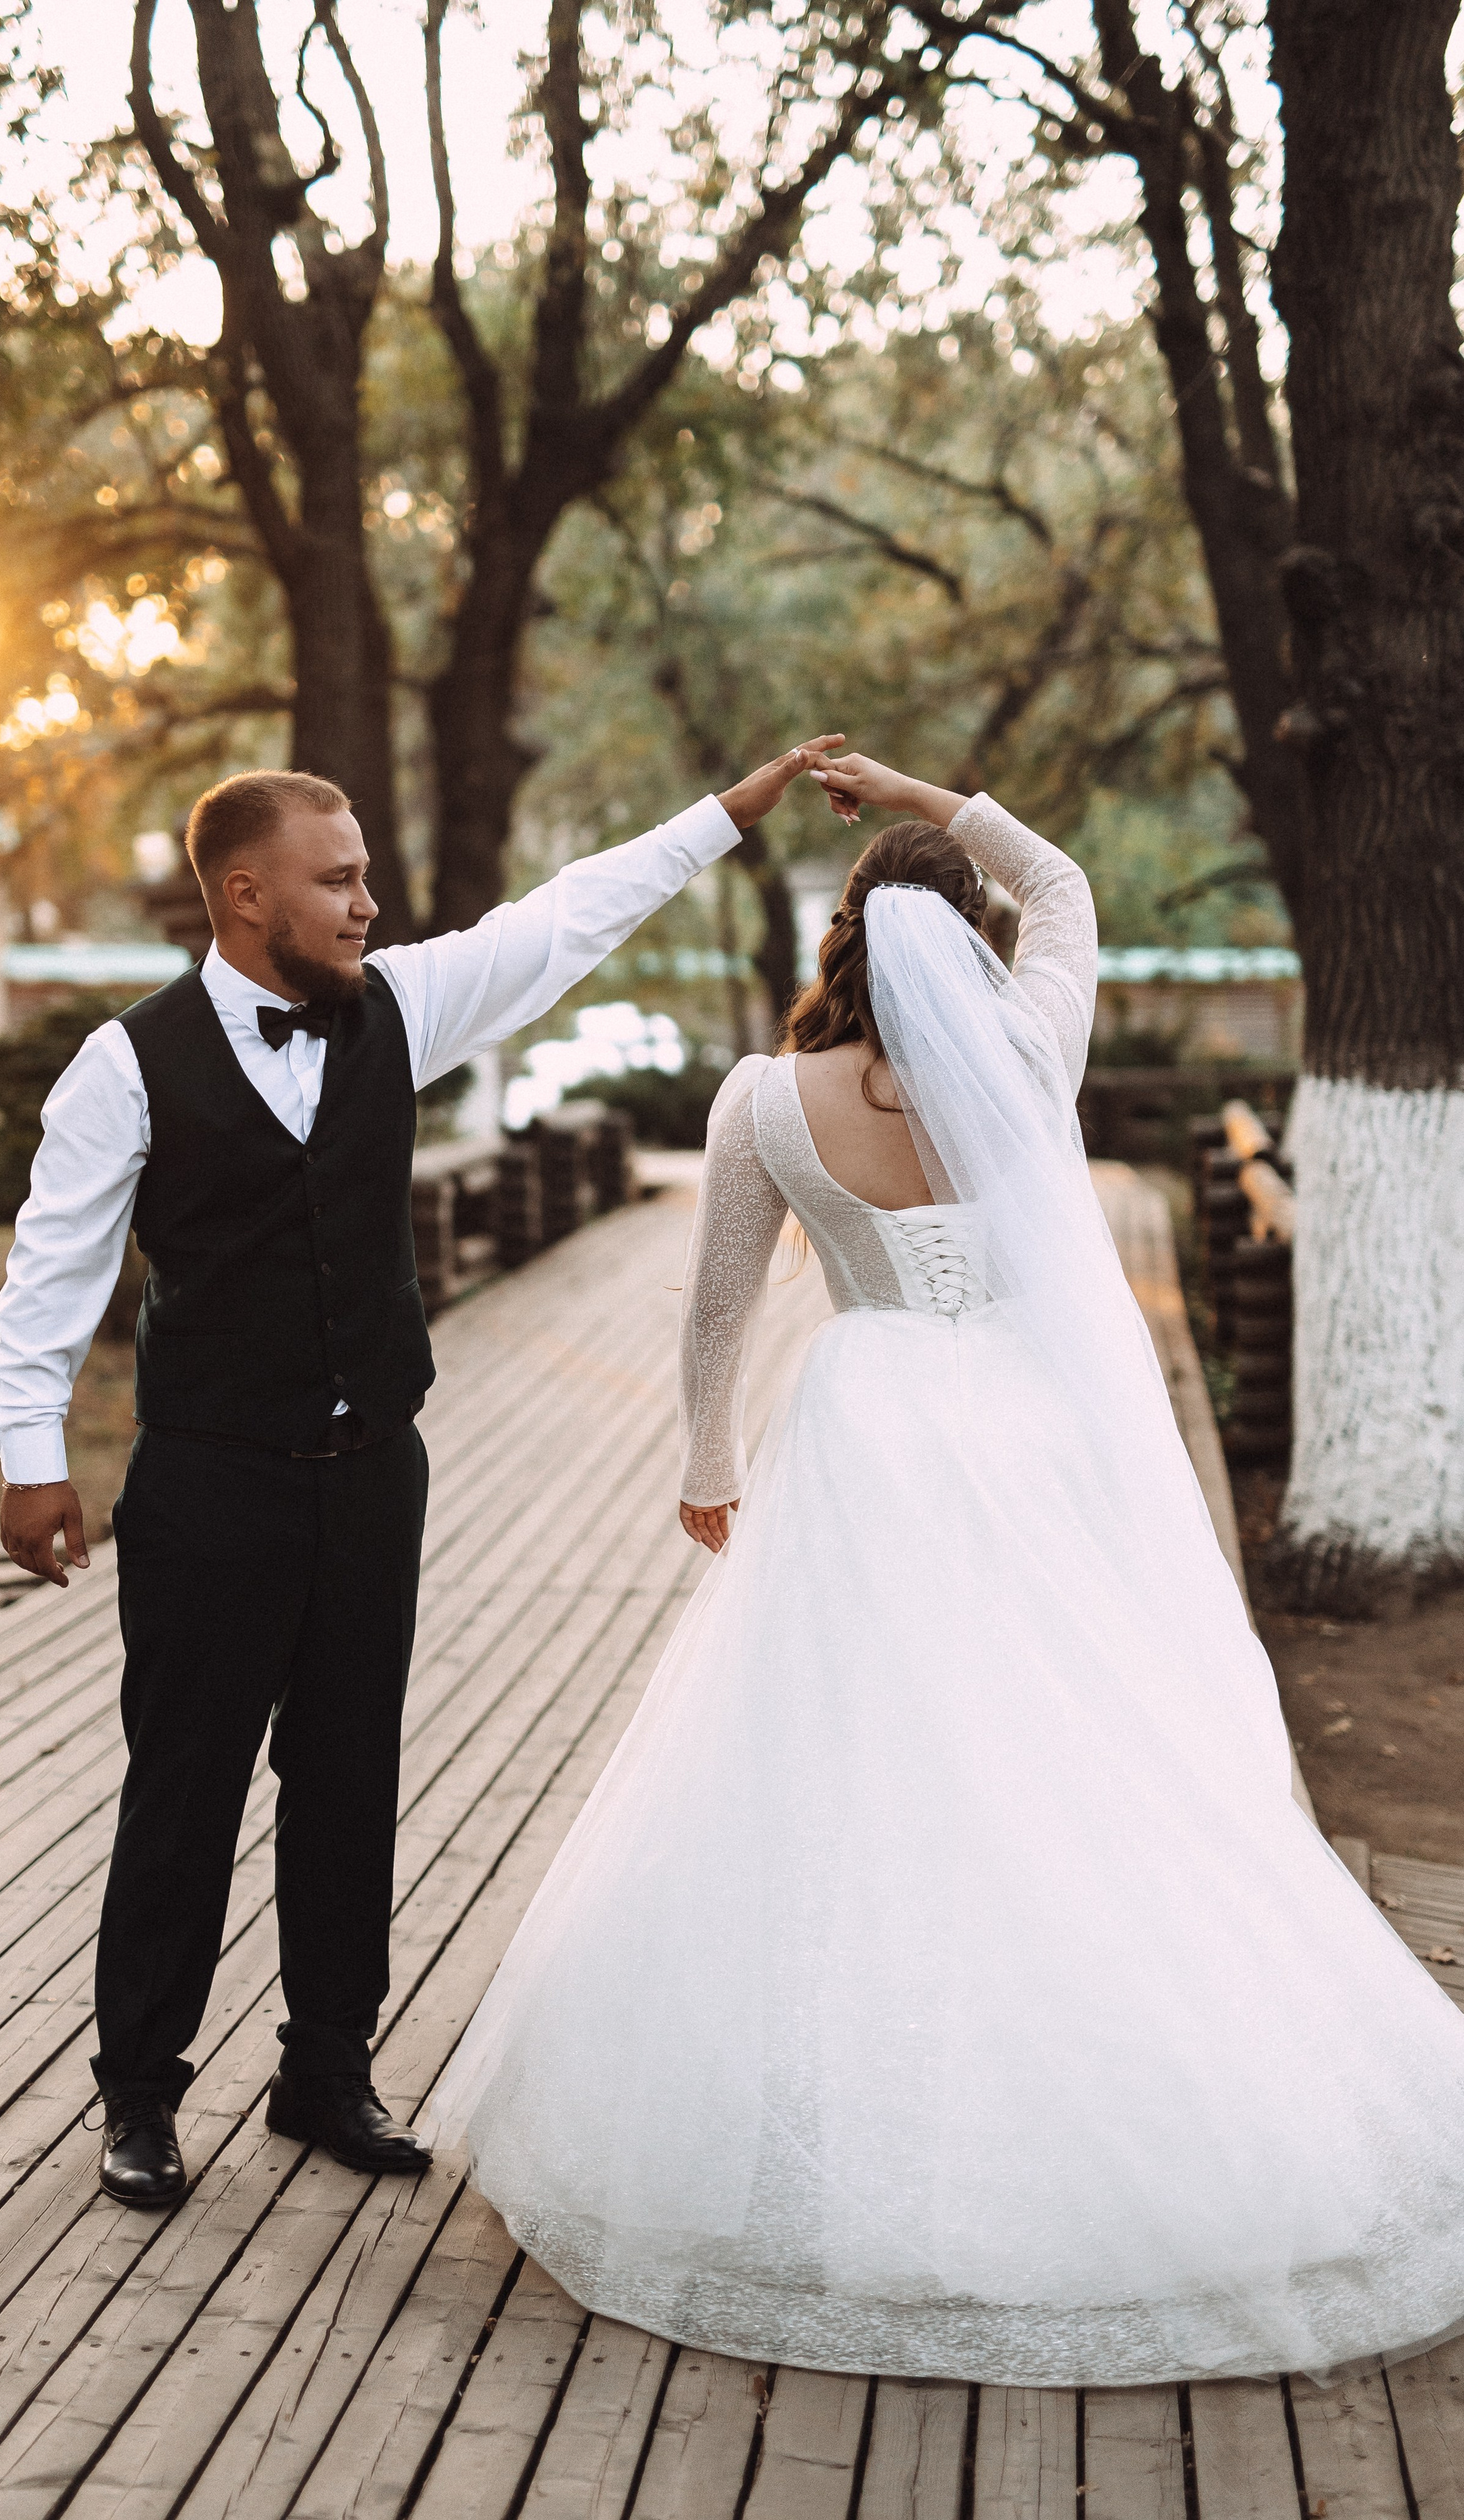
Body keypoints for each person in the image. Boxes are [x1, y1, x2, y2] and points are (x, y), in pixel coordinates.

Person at [429, 754, 1464, 2387]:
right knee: (1064, 1742)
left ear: (841, 933)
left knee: (848, 1766)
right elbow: (1063, 886)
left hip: (869, 1426)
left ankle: (850, 2106)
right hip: (1031, 1437)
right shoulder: (1026, 1046)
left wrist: (706, 1457)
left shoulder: (763, 1101)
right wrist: (909, 788)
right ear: (965, 935)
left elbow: (711, 1310)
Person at [0, 738, 843, 2208]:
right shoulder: (125, 1064)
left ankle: (325, 2068)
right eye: (339, 881)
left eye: (366, 876)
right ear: (244, 895)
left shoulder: (397, 1010)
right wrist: (30, 1457)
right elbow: (51, 1266)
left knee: (345, 1774)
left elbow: (562, 919)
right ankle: (138, 2092)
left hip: (374, 1472)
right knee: (184, 1786)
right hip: (207, 1481)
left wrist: (723, 815)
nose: (368, 904)